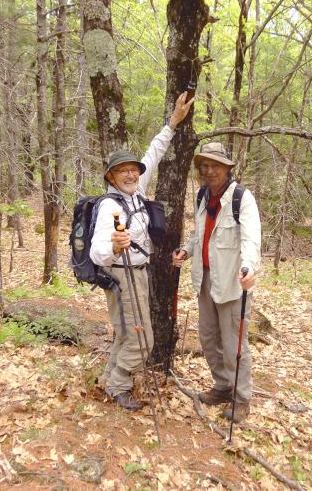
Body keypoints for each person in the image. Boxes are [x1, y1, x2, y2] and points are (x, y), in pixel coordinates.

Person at [90, 93, 193, 411]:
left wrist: (173, 123)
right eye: (123, 171)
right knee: (142, 339)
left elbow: (155, 151)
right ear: (111, 177)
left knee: (125, 333)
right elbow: (96, 252)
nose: (131, 174)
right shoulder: (109, 205)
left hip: (140, 271)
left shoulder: (137, 190)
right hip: (122, 275)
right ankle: (119, 385)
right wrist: (113, 246)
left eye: (133, 170)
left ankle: (108, 380)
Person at [173, 142, 261, 422]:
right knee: (209, 338)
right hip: (205, 279)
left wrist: (249, 266)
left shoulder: (241, 198)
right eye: (204, 167)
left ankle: (241, 398)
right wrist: (186, 250)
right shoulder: (202, 196)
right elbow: (200, 234)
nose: (209, 171)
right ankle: (222, 386)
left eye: (215, 166)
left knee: (234, 341)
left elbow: (251, 237)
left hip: (233, 281)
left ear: (226, 168)